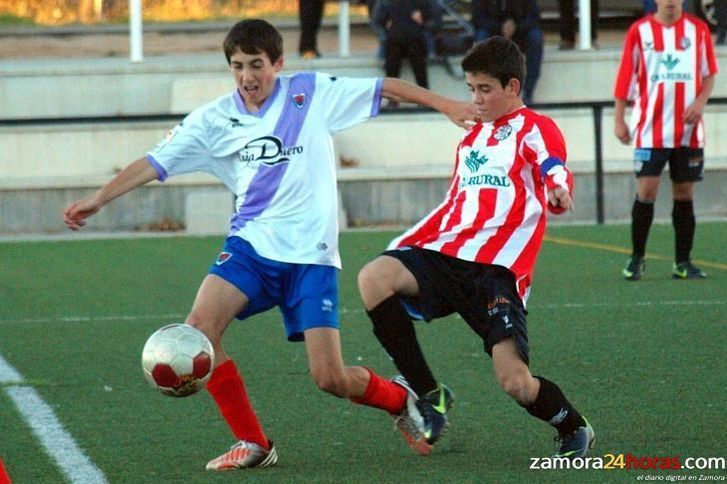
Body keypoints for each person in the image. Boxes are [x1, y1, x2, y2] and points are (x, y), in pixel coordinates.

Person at [62, 18, 475, 471]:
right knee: (200, 329)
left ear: (278, 63)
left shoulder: (311, 93)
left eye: (256, 65)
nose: (247, 77)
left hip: (311, 260)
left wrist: (445, 103)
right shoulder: (214, 119)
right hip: (251, 249)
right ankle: (253, 442)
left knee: (330, 378)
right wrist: (98, 199)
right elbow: (154, 163)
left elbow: (388, 87)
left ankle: (402, 400)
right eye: (237, 66)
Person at [357, 36, 595, 458]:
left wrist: (558, 187)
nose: (476, 99)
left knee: (515, 382)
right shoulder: (471, 138)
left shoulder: (535, 128)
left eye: (485, 89)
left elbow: (551, 162)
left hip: (496, 273)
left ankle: (571, 424)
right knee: (374, 278)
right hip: (446, 255)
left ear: (513, 88)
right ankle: (429, 395)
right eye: (471, 89)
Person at [614, 0, 719, 281]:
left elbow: (709, 74)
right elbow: (626, 76)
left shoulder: (698, 30)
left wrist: (699, 103)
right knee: (647, 190)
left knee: (684, 194)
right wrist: (619, 118)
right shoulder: (639, 31)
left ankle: (682, 262)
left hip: (688, 131)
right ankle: (637, 258)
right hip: (651, 129)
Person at [469, 0, 544, 105]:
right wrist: (500, 27)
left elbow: (534, 16)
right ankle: (484, 89)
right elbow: (477, 18)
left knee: (535, 37)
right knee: (481, 37)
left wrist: (515, 26)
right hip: (493, 30)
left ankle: (528, 91)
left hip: (520, 30)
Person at [373, 0, 442, 90]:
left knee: (420, 73)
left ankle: (423, 100)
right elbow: (376, 23)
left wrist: (423, 23)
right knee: (392, 72)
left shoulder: (425, 2)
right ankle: (393, 100)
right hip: (394, 40)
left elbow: (436, 22)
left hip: (416, 40)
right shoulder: (387, 2)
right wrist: (386, 33)